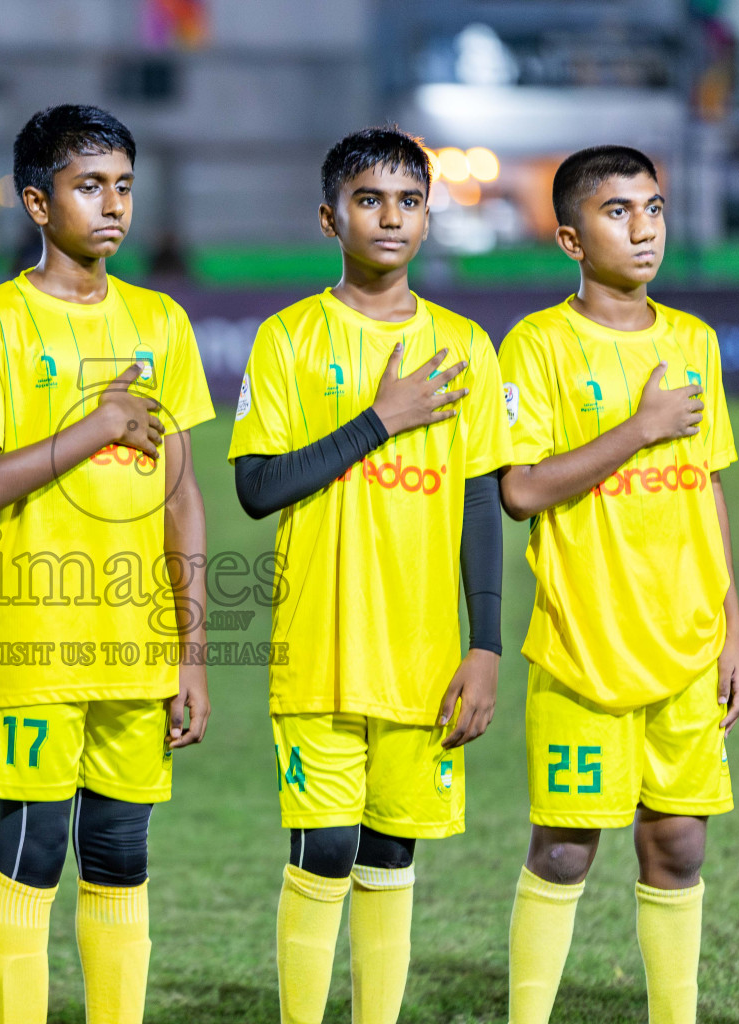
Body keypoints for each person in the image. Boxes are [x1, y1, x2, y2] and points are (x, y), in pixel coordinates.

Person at [228, 126, 511, 1024]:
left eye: (409, 200)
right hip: (318, 651)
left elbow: (478, 509)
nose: (390, 217)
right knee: (322, 854)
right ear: (329, 217)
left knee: (392, 859)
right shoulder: (289, 339)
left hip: (425, 658)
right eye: (368, 200)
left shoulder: (466, 343)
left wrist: (487, 646)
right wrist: (380, 420)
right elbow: (258, 486)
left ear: (429, 217)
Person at [0, 104, 213, 1024]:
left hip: (136, 643)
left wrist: (194, 649)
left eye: (124, 187)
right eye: (88, 186)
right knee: (33, 851)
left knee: (121, 853)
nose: (112, 206)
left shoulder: (161, 321)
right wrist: (94, 425)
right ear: (36, 201)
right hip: (34, 637)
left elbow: (181, 496)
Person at [498, 145, 739, 1023]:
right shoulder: (538, 345)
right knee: (565, 851)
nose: (643, 229)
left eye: (654, 208)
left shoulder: (691, 340)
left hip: (685, 643)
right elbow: (521, 489)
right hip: (582, 645)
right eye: (617, 212)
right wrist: (637, 430)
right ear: (569, 237)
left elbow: (707, 487)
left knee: (679, 846)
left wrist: (733, 633)